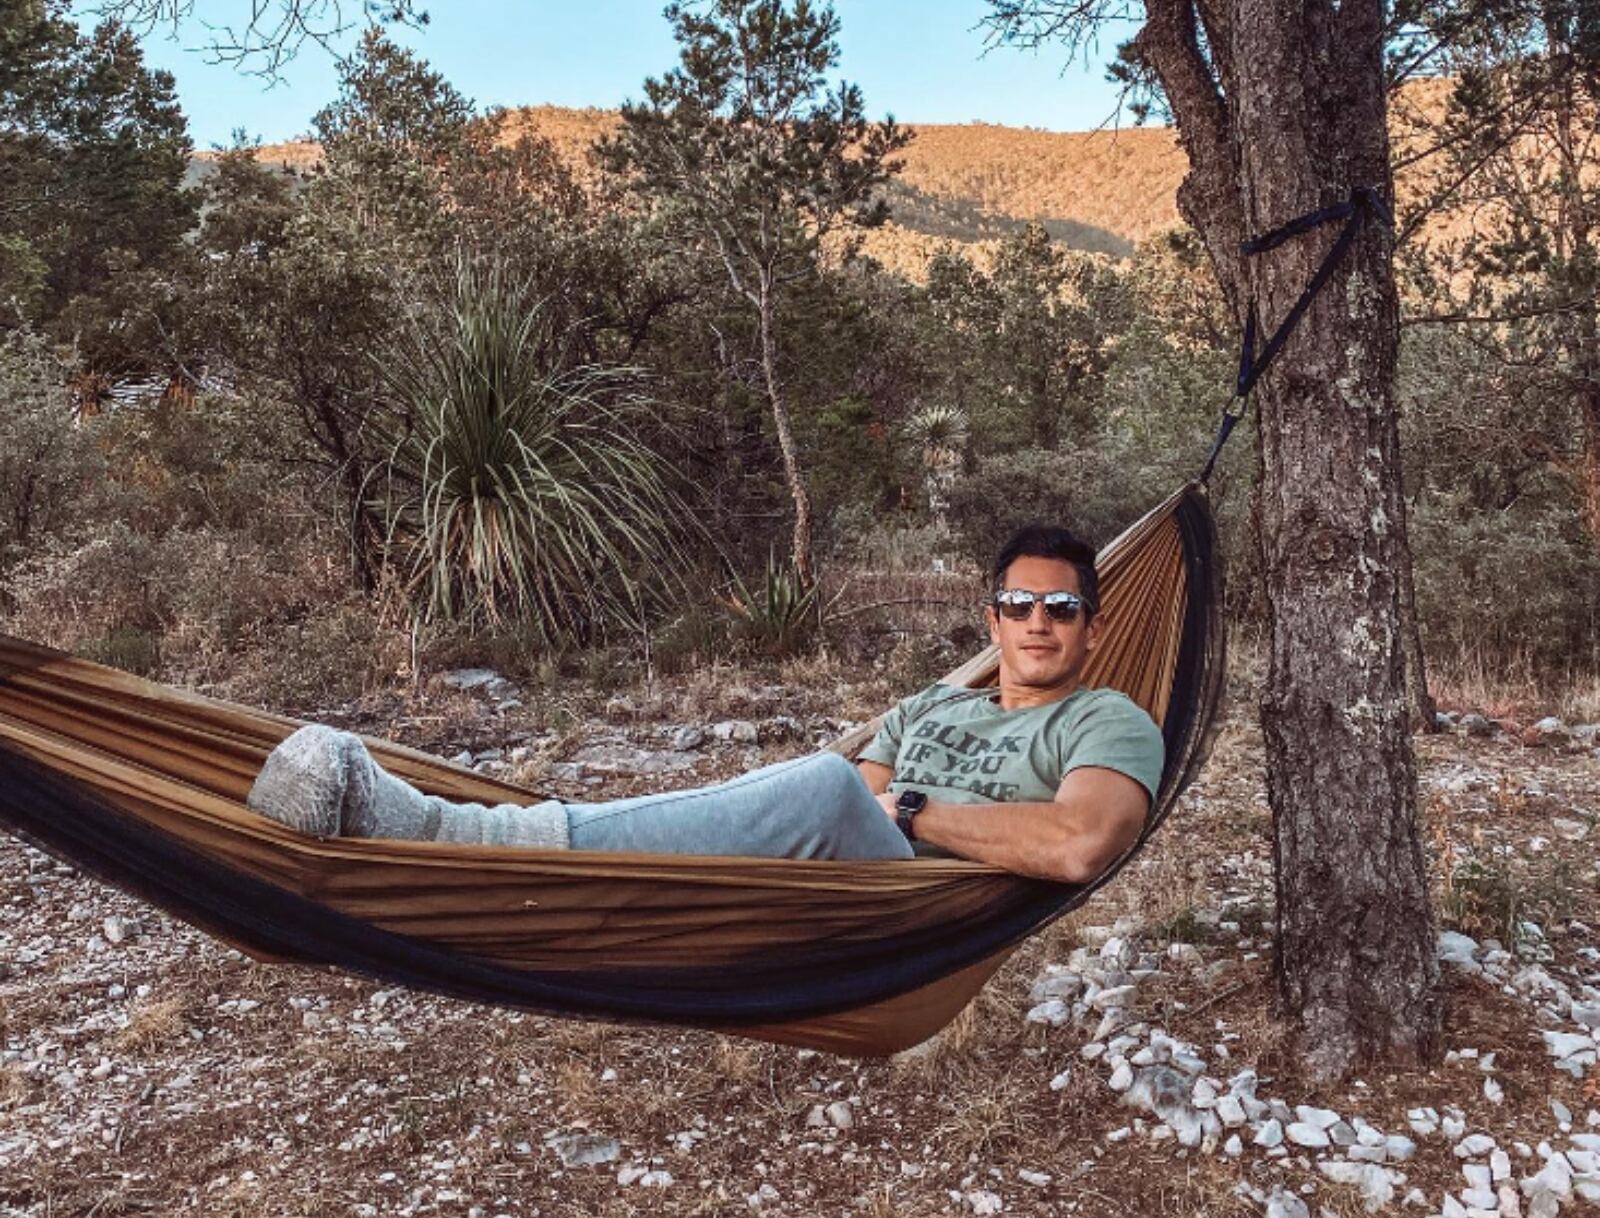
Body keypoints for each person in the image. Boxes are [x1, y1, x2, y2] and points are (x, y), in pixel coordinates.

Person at [246, 524, 1162, 884]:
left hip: (921, 906)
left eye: (1063, 607)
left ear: (1093, 623)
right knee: (822, 789)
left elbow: (1080, 846)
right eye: (1018, 605)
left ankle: (458, 834)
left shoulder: (1107, 718)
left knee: (825, 787)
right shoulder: (931, 702)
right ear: (990, 620)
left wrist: (916, 810)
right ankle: (505, 845)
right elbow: (858, 802)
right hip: (842, 888)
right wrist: (876, 803)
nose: (1039, 623)